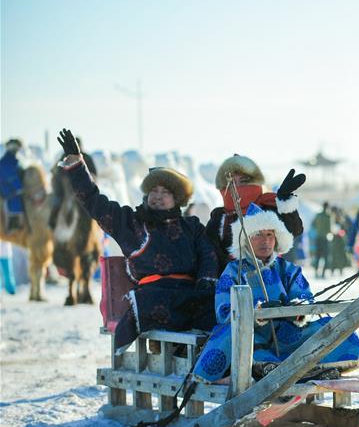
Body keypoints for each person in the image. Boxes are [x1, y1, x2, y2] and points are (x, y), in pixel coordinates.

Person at [57, 129, 218, 353]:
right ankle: (166, 349)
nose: (158, 196)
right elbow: (95, 202)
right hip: (152, 296)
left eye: (165, 192)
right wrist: (77, 164)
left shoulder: (191, 227)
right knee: (156, 306)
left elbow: (208, 256)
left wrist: (205, 284)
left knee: (216, 312)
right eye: (154, 190)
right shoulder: (131, 223)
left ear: (177, 199)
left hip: (189, 295)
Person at [192, 202, 359, 383]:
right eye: (258, 235)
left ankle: (313, 367)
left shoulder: (287, 269)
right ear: (246, 239)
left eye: (269, 235)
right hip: (254, 335)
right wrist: (256, 313)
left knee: (331, 325)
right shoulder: (233, 270)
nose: (265, 241)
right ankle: (268, 368)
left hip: (287, 333)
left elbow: (305, 296)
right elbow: (224, 310)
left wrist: (299, 309)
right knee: (238, 336)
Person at [206, 154, 305, 274]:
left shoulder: (267, 207)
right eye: (232, 183)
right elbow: (209, 250)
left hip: (268, 277)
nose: (237, 187)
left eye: (243, 181)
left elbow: (294, 229)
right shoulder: (219, 217)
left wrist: (285, 202)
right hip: (228, 280)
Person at [0, 138, 26, 232]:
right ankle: (13, 225)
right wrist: (19, 187)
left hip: (15, 189)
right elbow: (10, 175)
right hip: (7, 190)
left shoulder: (16, 161)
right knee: (16, 202)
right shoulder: (5, 161)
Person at [311, 202, 332, 278]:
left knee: (317, 256)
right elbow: (329, 229)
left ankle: (316, 273)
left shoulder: (318, 215)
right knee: (325, 257)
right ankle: (323, 274)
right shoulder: (328, 216)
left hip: (318, 238)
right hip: (325, 239)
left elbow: (313, 224)